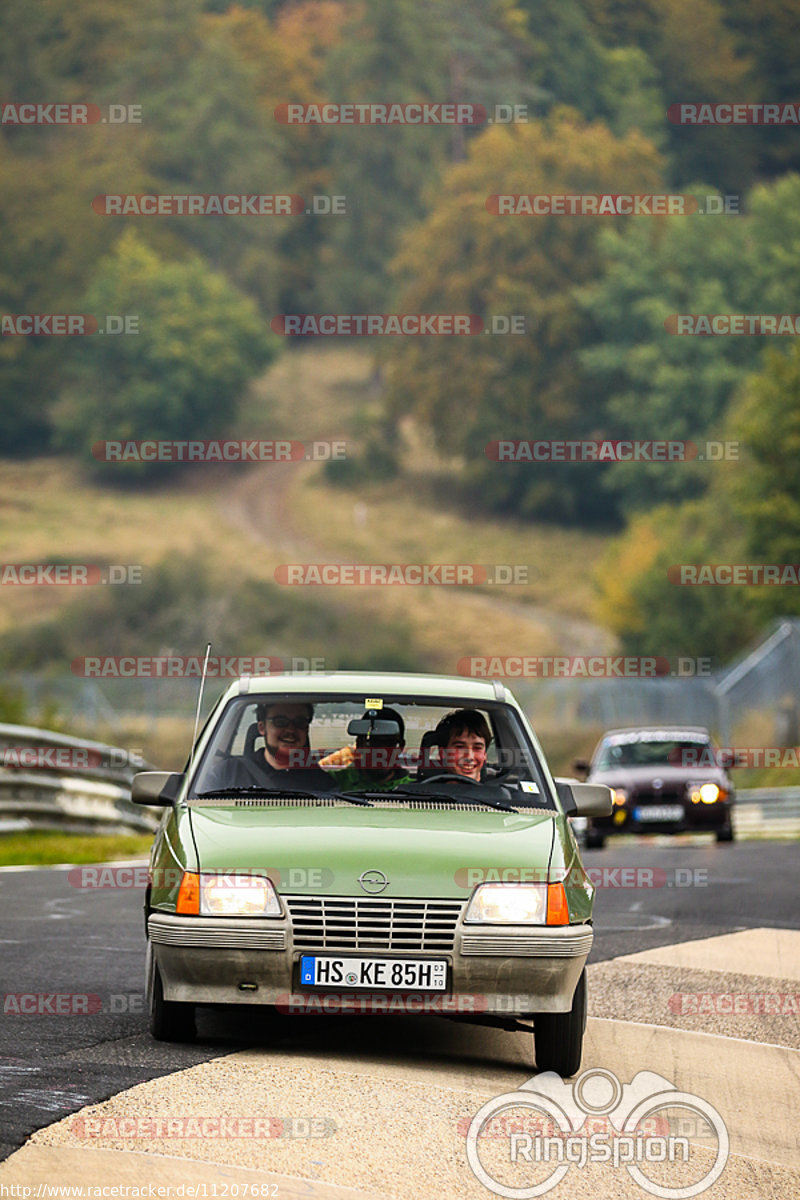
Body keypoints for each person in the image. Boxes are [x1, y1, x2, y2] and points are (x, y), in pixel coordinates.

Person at [199, 700, 336, 792]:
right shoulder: (226, 773)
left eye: (299, 722)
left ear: (306, 729)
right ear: (262, 728)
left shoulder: (322, 784)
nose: (290, 730)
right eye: (280, 722)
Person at [327, 707, 413, 792]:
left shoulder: (416, 791)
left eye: (388, 743)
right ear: (359, 744)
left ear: (400, 747)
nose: (381, 751)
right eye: (373, 742)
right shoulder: (329, 782)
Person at [431, 709, 493, 781]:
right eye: (460, 747)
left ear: (485, 755)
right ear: (442, 753)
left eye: (477, 748)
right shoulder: (426, 791)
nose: (469, 757)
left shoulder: (498, 791)